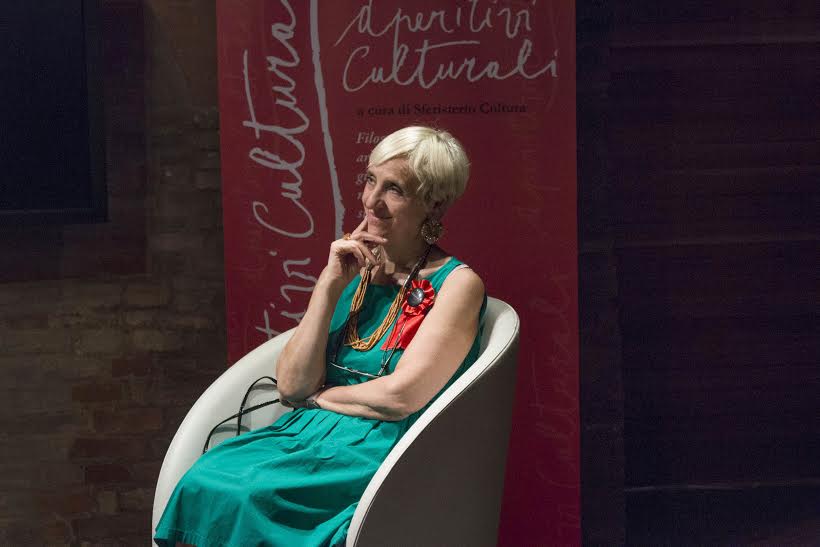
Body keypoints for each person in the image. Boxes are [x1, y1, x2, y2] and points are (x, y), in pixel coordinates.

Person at [154, 126, 486, 547]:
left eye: (395, 189)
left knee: (249, 496)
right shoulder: (354, 270)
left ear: (433, 204)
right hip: (306, 434)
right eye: (370, 180)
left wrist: (319, 397)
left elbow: (400, 397)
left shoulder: (458, 285)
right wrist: (328, 285)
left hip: (381, 447)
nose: (372, 201)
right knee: (204, 480)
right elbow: (292, 386)